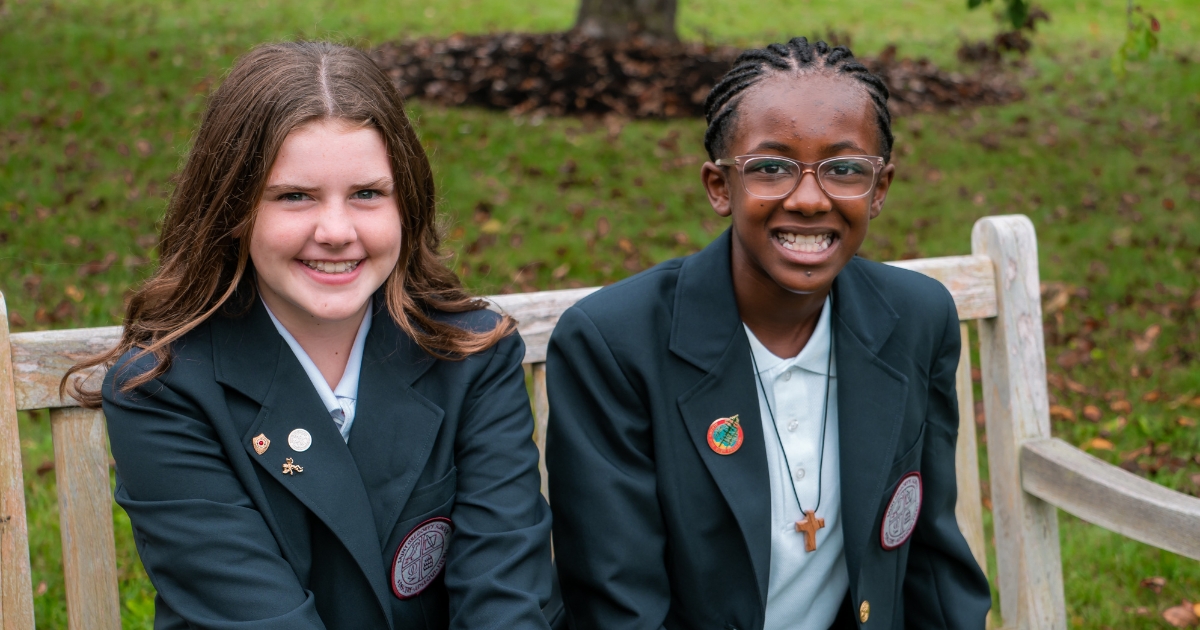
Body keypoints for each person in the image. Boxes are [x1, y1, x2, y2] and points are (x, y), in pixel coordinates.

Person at [66, 42, 560, 629]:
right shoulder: (166, 391)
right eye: (294, 196)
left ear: (408, 202)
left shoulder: (471, 355)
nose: (335, 231)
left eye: (367, 194)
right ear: (232, 208)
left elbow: (504, 595)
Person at [545, 38, 991, 629]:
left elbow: (931, 559)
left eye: (845, 169)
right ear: (718, 186)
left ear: (878, 190)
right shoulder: (614, 346)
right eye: (771, 167)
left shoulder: (914, 320)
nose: (809, 199)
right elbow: (619, 604)